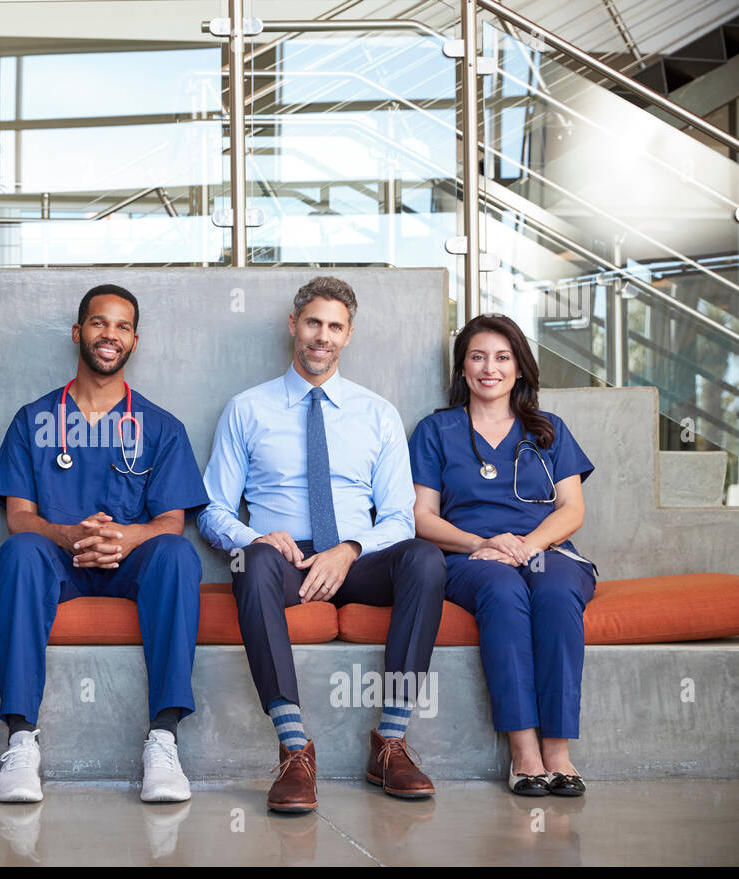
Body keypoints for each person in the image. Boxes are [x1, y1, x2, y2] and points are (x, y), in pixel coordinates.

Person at [199, 276, 445, 813]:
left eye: (335, 327)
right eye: (313, 323)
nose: (322, 336)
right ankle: (293, 749)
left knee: (426, 559)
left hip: (360, 559)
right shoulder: (248, 408)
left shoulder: (377, 414)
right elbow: (214, 510)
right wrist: (256, 537)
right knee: (251, 561)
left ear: (348, 335)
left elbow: (402, 516)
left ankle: (391, 742)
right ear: (294, 326)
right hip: (284, 563)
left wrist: (350, 548)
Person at [0, 284, 208, 804]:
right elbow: (19, 516)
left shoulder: (160, 426)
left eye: (122, 326)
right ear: (77, 333)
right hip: (55, 561)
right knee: (17, 552)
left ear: (134, 340)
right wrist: (66, 534)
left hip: (130, 564)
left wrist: (129, 536)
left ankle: (164, 740)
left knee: (177, 554)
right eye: (98, 323)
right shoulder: (33, 420)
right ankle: (21, 742)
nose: (110, 334)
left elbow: (171, 522)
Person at [409, 313, 595, 797]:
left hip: (545, 551)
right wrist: (481, 545)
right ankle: (523, 752)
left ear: (519, 367)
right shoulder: (435, 431)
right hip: (469, 559)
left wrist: (528, 545)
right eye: (477, 356)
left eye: (502, 357)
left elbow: (571, 510)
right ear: (462, 368)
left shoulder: (549, 429)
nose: (489, 367)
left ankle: (558, 751)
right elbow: (421, 517)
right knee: (503, 588)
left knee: (555, 591)